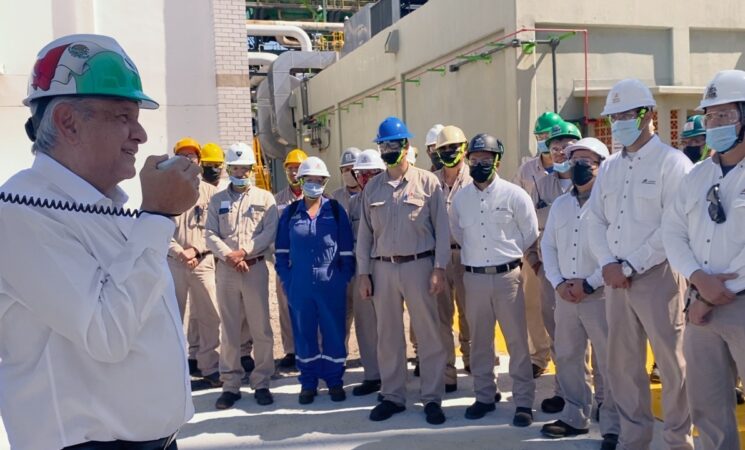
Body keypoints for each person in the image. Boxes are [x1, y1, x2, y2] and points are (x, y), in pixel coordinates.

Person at [0, 33, 199, 450]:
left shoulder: (103, 206)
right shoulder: (20, 213)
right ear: (68, 122)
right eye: (122, 116)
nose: (140, 134)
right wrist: (158, 214)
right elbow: (106, 333)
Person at [586, 78, 693, 449]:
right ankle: (635, 439)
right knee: (624, 366)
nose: (618, 123)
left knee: (672, 365)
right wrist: (608, 264)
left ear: (648, 115)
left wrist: (629, 265)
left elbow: (672, 226)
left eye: (626, 114)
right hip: (616, 280)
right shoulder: (612, 167)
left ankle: (679, 440)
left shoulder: (673, 163)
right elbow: (594, 219)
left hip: (658, 277)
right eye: (614, 117)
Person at [662, 69, 745, 450]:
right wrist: (697, 279)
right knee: (708, 407)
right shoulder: (696, 177)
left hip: (735, 302)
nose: (715, 125)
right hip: (701, 307)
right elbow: (673, 234)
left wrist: (715, 292)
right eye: (710, 117)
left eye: (725, 116)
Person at [357, 116, 449, 425]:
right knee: (388, 336)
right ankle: (393, 395)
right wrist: (363, 273)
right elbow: (365, 236)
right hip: (383, 270)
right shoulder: (372, 188)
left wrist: (439, 268)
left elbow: (442, 230)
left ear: (407, 146)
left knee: (428, 334)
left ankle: (432, 398)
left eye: (393, 144)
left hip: (419, 266)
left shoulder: (428, 182)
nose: (388, 150)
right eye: (383, 145)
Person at [450, 133, 539, 427]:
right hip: (474, 278)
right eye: (474, 160)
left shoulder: (515, 195)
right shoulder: (460, 200)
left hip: (508, 278)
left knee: (517, 342)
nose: (479, 164)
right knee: (480, 343)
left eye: (485, 159)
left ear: (497, 160)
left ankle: (524, 401)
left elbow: (529, 235)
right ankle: (485, 396)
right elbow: (459, 235)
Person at [539, 137, 620, 449]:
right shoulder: (560, 205)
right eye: (574, 162)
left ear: (601, 166)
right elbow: (548, 245)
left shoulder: (611, 205)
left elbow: (614, 251)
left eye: (586, 162)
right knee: (569, 357)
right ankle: (575, 416)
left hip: (599, 293)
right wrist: (559, 282)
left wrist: (589, 284)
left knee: (608, 361)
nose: (579, 168)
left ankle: (612, 423)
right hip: (566, 293)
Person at [275, 157, 356, 404]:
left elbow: (346, 250)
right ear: (300, 181)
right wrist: (288, 281)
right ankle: (308, 382)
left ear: (324, 182)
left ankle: (334, 380)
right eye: (308, 180)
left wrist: (342, 278)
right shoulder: (290, 213)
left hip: (330, 283)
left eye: (318, 180)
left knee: (333, 331)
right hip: (299, 285)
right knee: (304, 333)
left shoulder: (334, 211)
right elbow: (280, 252)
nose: (313, 184)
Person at [206, 142, 278, 410]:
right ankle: (231, 385)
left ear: (251, 170)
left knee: (261, 328)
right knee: (230, 329)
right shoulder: (217, 200)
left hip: (255, 268)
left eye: (244, 168)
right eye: (235, 168)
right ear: (228, 169)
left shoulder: (265, 198)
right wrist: (230, 256)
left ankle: (261, 382)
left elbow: (269, 232)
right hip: (226, 271)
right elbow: (210, 234)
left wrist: (244, 252)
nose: (240, 173)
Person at [526, 120, 583, 414]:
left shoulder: (589, 181)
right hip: (551, 273)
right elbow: (530, 227)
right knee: (559, 335)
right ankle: (564, 391)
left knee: (595, 340)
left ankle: (598, 398)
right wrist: (535, 261)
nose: (560, 152)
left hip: (587, 274)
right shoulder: (541, 184)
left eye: (566, 146)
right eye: (555, 147)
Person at [167, 137, 221, 388]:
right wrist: (179, 252)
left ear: (199, 160)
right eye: (183, 155)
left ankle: (209, 366)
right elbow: (159, 226)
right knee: (172, 316)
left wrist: (196, 250)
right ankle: (174, 369)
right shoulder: (165, 189)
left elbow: (217, 229)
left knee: (210, 314)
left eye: (193, 156)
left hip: (203, 262)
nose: (189, 159)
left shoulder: (211, 193)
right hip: (174, 263)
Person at [514, 111, 564, 379]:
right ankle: (538, 356)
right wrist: (528, 252)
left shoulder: (569, 167)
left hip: (565, 247)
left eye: (549, 136)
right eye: (540, 136)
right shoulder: (526, 171)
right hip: (534, 245)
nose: (545, 141)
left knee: (565, 311)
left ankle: (571, 362)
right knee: (533, 304)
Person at [432, 125, 472, 386]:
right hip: (440, 259)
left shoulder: (474, 180)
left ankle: (473, 361)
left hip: (469, 257)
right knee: (441, 317)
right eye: (444, 149)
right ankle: (447, 373)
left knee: (473, 315)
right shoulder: (429, 182)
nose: (449, 153)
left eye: (454, 148)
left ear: (464, 148)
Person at [347, 149, 385, 397]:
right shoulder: (352, 203)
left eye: (373, 173)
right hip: (362, 271)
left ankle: (394, 375)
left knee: (389, 325)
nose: (367, 179)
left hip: (388, 268)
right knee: (366, 325)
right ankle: (373, 375)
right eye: (362, 174)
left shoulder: (390, 197)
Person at [273, 148, 309, 370]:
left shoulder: (321, 197)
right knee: (287, 309)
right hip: (286, 265)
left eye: (298, 168)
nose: (294, 173)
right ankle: (291, 350)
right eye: (290, 168)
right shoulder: (276, 200)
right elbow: (271, 232)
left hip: (310, 265)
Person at [331, 147, 362, 211]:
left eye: (353, 169)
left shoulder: (369, 194)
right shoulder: (335, 197)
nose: (350, 173)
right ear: (341, 172)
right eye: (347, 169)